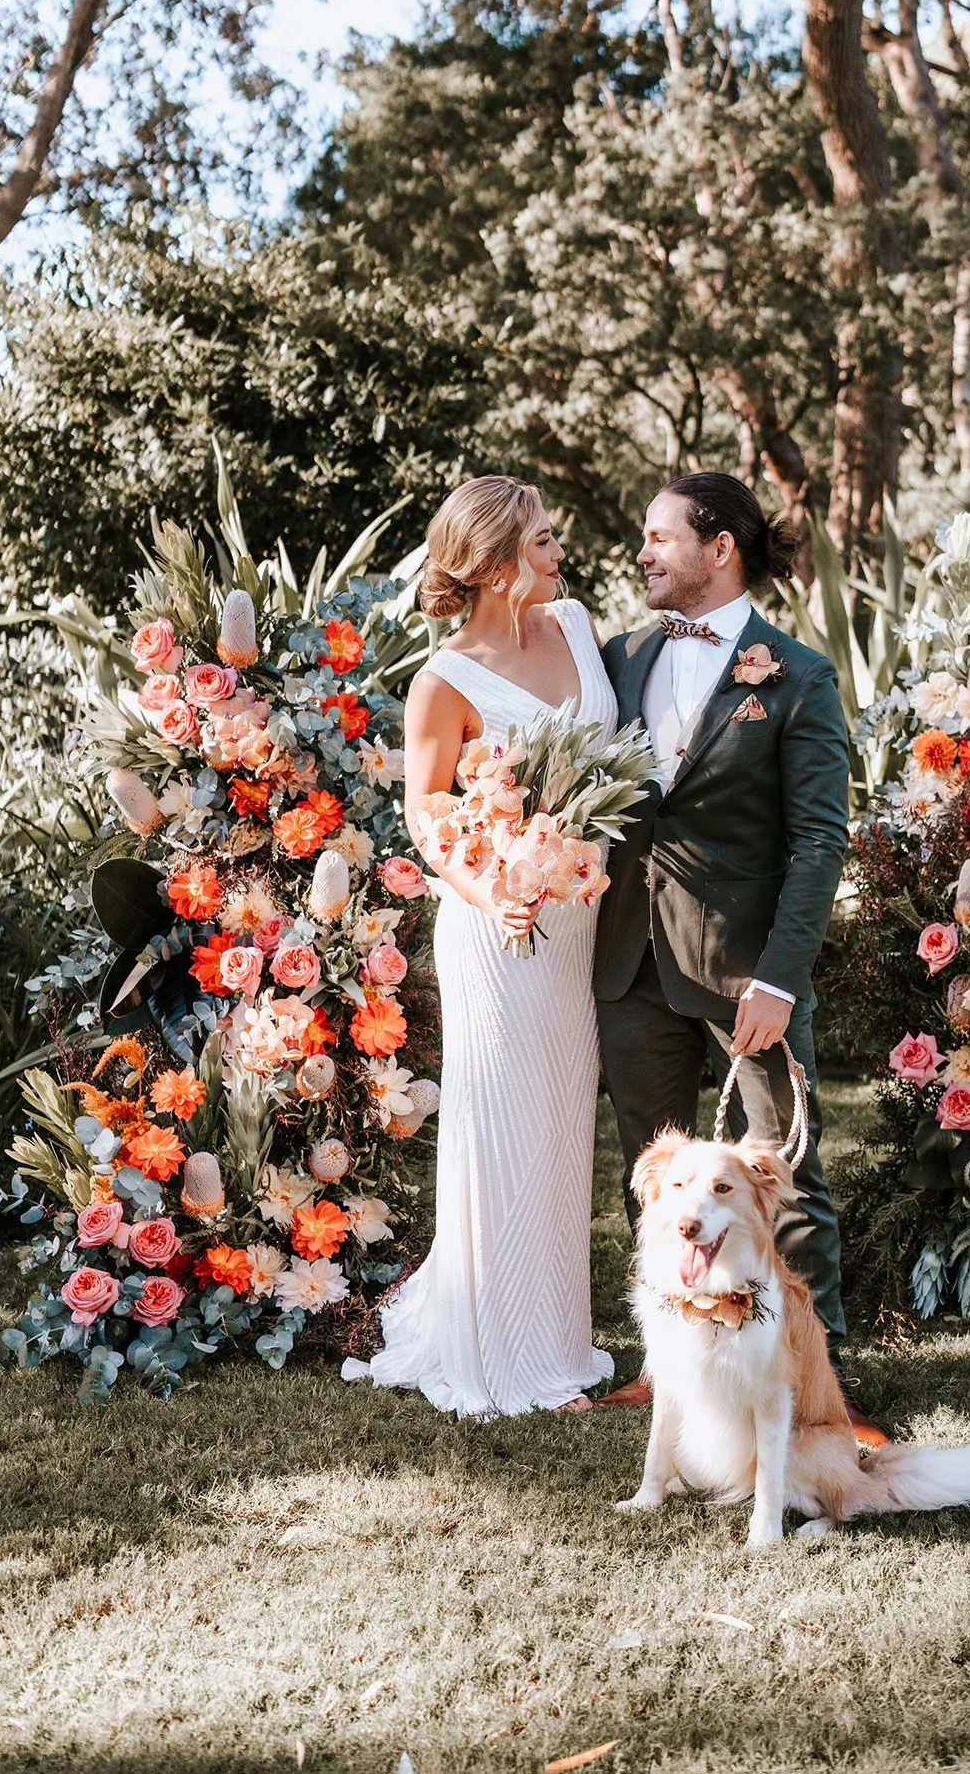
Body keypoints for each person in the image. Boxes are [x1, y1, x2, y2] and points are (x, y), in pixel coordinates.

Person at [593, 473, 885, 1447]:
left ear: (720, 547)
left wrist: (778, 974)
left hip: (745, 970)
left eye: (658, 535)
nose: (643, 552)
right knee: (660, 1181)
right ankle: (667, 1366)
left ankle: (819, 1380)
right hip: (629, 956)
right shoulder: (619, 656)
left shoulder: (797, 673)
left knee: (779, 1176)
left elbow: (819, 837)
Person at [351, 475, 615, 1416]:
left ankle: (556, 1334)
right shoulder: (441, 681)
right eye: (543, 542)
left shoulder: (578, 626)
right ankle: (502, 1353)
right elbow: (425, 815)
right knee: (500, 1127)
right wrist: (489, 887)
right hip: (497, 927)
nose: (558, 554)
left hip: (577, 917)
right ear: (500, 565)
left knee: (560, 1126)